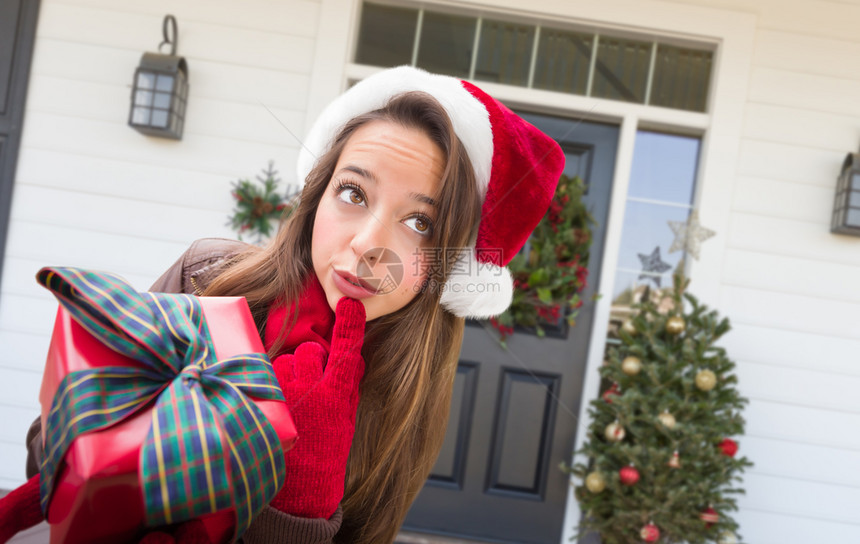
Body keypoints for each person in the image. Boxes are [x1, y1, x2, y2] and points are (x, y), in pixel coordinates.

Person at [0, 66, 565, 544]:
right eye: (353, 192)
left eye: (421, 222)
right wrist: (144, 439)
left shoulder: (407, 393)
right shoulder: (210, 278)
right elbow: (40, 454)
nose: (370, 243)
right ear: (318, 196)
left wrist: (296, 511)